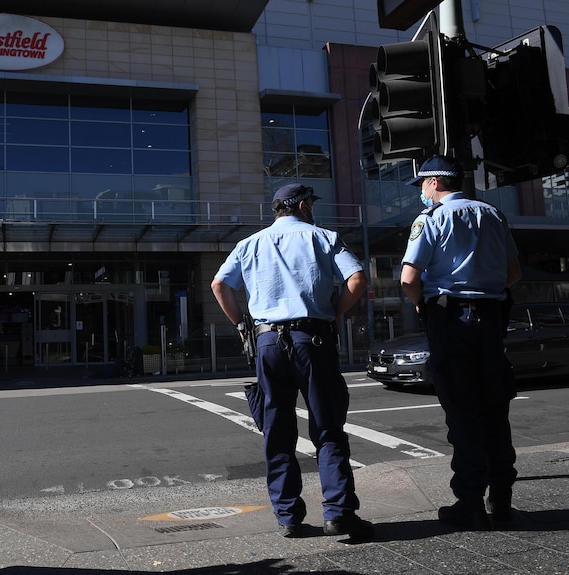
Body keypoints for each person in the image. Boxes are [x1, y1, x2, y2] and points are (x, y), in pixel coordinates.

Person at [211, 183, 372, 540]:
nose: (312, 209)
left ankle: (288, 517)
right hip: (312, 337)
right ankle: (339, 513)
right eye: (311, 203)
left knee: (277, 431)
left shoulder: (250, 243)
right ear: (302, 205)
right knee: (328, 427)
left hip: (267, 340)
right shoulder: (324, 237)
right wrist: (335, 313)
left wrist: (242, 325)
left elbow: (219, 285)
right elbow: (357, 279)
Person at [399, 155, 522, 531]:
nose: (421, 191)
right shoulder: (493, 214)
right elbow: (513, 273)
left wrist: (423, 307)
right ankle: (501, 498)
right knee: (495, 408)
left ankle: (469, 501)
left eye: (422, 184)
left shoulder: (431, 218)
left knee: (462, 410)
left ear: (435, 182)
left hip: (450, 318)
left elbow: (408, 279)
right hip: (491, 319)